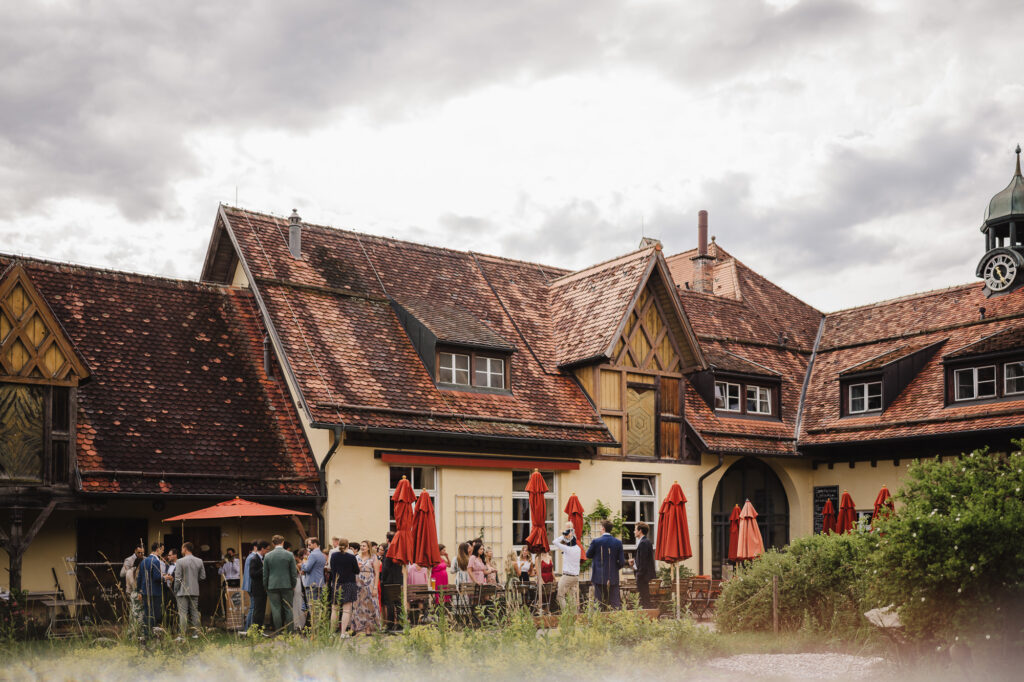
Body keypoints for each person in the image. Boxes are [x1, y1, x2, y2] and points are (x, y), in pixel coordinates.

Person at [586, 519, 625, 609]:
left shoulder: (596, 541)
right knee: (615, 603)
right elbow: (622, 562)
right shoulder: (618, 542)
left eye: (600, 528)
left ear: (603, 528)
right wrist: (614, 568)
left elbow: (588, 555)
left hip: (598, 576)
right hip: (613, 576)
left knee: (598, 602)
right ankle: (617, 621)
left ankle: (598, 621)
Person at [263, 534, 297, 634]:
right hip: (287, 585)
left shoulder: (267, 556)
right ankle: (290, 631)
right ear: (283, 542)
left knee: (275, 609)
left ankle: (278, 632)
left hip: (272, 585)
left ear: (273, 544)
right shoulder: (289, 555)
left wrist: (266, 586)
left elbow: (265, 574)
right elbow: (293, 573)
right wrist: (293, 584)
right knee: (288, 608)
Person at [173, 541, 206, 639]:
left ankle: (182, 635)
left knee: (183, 613)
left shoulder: (180, 561)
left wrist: (175, 589)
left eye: (182, 548)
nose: (181, 550)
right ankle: (196, 633)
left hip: (182, 591)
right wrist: (194, 580)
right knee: (195, 612)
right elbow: (203, 576)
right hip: (195, 590)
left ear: (185, 549)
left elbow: (178, 578)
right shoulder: (199, 561)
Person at [350, 540, 381, 635]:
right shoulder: (356, 557)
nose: (362, 547)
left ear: (368, 547)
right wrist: (356, 569)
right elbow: (352, 570)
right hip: (358, 584)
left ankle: (369, 628)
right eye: (361, 545)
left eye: (364, 546)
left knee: (370, 606)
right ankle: (359, 628)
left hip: (369, 584)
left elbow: (377, 573)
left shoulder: (373, 558)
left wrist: (375, 587)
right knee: (358, 606)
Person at [329, 537, 359, 635]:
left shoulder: (333, 555)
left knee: (334, 609)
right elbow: (356, 571)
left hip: (337, 583)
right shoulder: (351, 557)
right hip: (349, 583)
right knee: (346, 610)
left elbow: (332, 569)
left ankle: (332, 632)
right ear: (348, 546)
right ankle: (342, 633)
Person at [553, 525, 582, 613]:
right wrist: (569, 534)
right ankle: (574, 615)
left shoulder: (567, 549)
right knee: (572, 597)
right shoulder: (578, 549)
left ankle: (566, 614)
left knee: (560, 596)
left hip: (567, 576)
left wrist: (564, 535)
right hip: (575, 577)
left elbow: (555, 541)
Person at [138, 542, 165, 635]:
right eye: (162, 549)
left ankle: (146, 633)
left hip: (145, 592)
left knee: (147, 613)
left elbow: (140, 578)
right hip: (155, 592)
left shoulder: (143, 561)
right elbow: (157, 578)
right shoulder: (156, 561)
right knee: (155, 614)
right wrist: (165, 578)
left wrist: (139, 591)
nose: (163, 551)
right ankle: (153, 634)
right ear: (158, 549)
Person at [630, 521, 656, 609]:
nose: (634, 531)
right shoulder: (645, 542)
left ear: (640, 531)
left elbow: (644, 562)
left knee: (644, 598)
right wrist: (634, 564)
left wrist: (639, 575)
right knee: (644, 597)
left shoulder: (644, 543)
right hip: (643, 575)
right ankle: (646, 616)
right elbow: (642, 560)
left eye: (635, 529)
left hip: (643, 576)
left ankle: (647, 616)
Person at [301, 538, 326, 623]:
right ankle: (318, 625)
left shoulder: (313, 555)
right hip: (320, 582)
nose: (308, 547)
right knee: (318, 606)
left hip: (312, 583)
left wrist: (303, 563)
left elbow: (307, 568)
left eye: (309, 545)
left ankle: (314, 628)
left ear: (315, 544)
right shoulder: (322, 554)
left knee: (312, 606)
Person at [248, 540, 270, 630]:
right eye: (267, 550)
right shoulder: (254, 559)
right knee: (258, 610)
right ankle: (256, 630)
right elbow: (252, 574)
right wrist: (264, 568)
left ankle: (259, 629)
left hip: (263, 588)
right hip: (257, 588)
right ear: (263, 549)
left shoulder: (263, 559)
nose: (268, 551)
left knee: (262, 610)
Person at [243, 542, 261, 629]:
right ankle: (248, 628)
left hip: (248, 584)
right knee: (253, 607)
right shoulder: (252, 557)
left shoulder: (249, 556)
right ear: (255, 547)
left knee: (253, 607)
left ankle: (248, 628)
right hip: (251, 585)